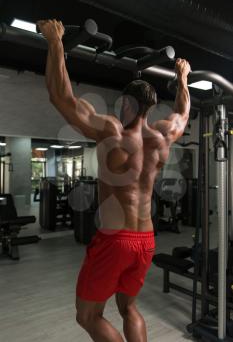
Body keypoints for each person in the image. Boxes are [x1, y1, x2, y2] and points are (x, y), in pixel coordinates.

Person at [37, 19, 191, 342]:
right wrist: (182, 78)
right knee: (129, 308)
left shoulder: (112, 132)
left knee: (88, 315)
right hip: (146, 240)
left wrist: (55, 42)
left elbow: (61, 98)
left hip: (115, 239)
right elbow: (183, 114)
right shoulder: (163, 137)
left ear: (126, 104)